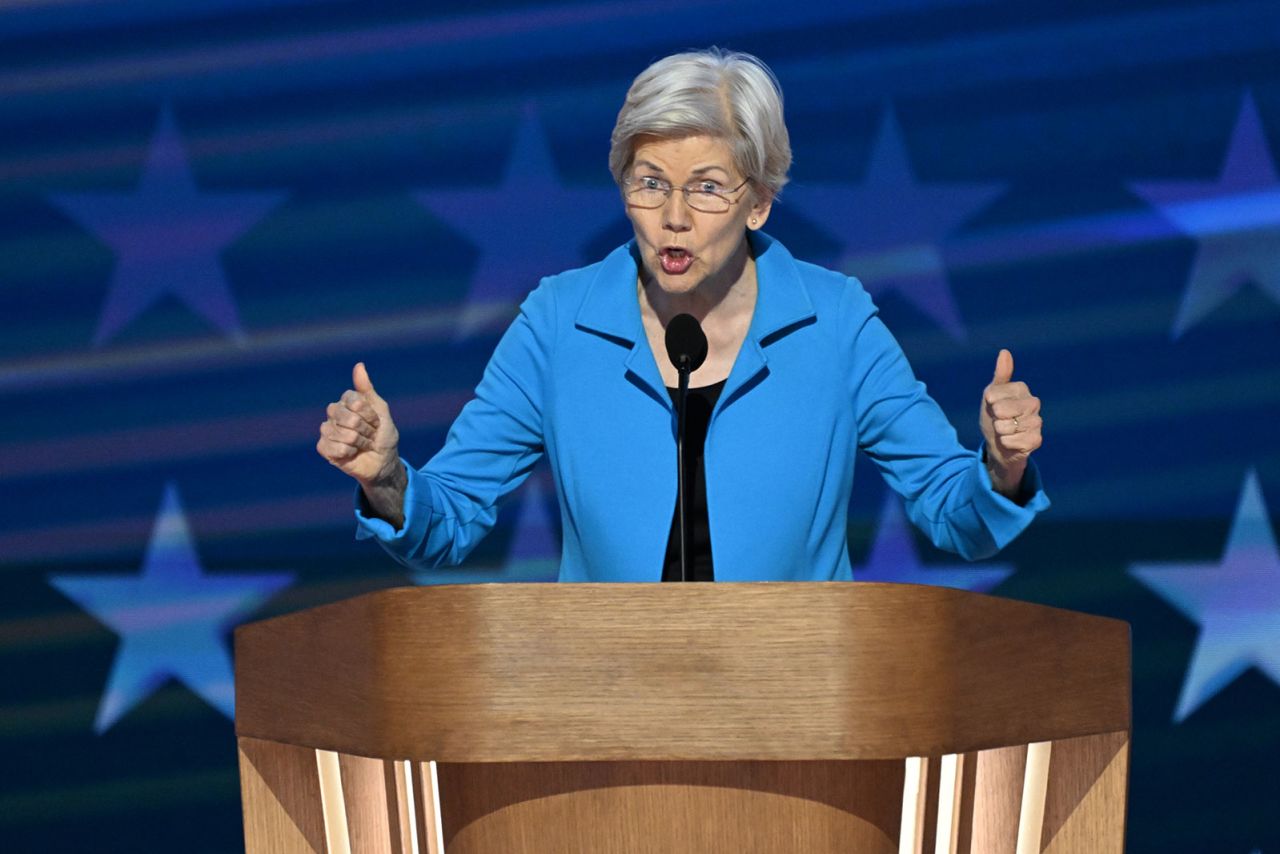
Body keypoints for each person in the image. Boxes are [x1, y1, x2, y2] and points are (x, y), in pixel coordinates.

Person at [316, 48, 1048, 582]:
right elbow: (446, 520)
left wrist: (1003, 468)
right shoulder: (559, 323)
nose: (672, 218)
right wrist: (386, 481)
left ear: (759, 201)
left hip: (797, 713)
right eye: (649, 183)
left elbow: (959, 516)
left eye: (705, 188)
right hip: (609, 715)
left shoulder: (835, 322)